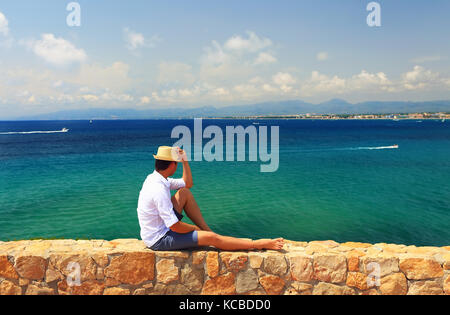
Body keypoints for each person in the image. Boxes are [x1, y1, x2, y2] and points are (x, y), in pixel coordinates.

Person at [137, 146, 284, 251]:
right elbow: (174, 226)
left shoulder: (157, 179)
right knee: (211, 239)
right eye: (177, 162)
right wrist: (194, 229)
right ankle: (256, 244)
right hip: (160, 239)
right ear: (173, 165)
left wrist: (186, 162)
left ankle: (208, 231)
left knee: (184, 192)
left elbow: (188, 184)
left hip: (160, 227)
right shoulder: (158, 189)